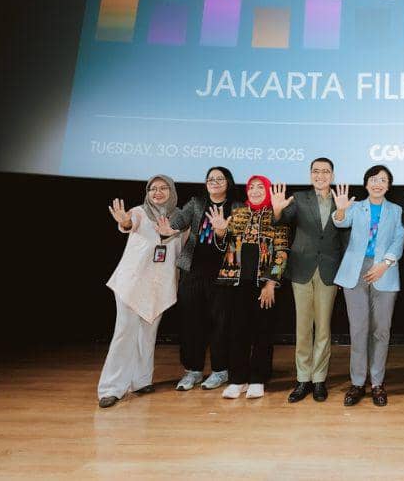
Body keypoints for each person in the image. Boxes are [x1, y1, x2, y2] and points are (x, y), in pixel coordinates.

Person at [98, 175, 183, 408]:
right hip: (132, 284)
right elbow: (128, 223)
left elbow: (183, 249)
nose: (157, 192)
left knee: (147, 333)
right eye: (153, 188)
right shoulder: (139, 212)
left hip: (160, 286)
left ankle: (141, 380)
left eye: (163, 188)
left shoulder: (179, 218)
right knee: (125, 332)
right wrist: (124, 221)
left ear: (172, 191)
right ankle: (111, 388)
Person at [207, 175, 290, 399]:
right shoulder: (238, 213)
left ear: (268, 190)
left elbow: (282, 253)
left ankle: (257, 379)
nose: (254, 190)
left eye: (260, 187)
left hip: (263, 285)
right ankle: (238, 380)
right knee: (236, 333)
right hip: (235, 284)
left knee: (262, 332)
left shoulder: (277, 215)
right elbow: (223, 246)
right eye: (251, 187)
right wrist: (221, 231)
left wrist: (271, 283)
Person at [333, 165, 404, 407]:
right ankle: (357, 383)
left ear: (388, 185)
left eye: (383, 180)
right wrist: (341, 211)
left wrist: (385, 263)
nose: (378, 184)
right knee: (359, 330)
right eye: (373, 179)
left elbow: (399, 239)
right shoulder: (355, 207)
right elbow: (340, 223)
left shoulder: (396, 210)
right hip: (355, 273)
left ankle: (377, 383)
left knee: (381, 330)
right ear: (366, 184)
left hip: (384, 271)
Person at [279, 158, 347, 403]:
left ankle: (319, 379)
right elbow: (281, 220)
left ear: (333, 174)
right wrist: (277, 208)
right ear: (310, 175)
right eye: (316, 171)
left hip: (329, 271)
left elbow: (346, 240)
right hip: (301, 269)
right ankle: (302, 379)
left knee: (324, 329)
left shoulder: (343, 200)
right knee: (302, 328)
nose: (320, 175)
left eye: (325, 171)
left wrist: (344, 273)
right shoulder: (299, 198)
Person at [170, 166, 236, 392]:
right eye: (210, 179)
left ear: (228, 182)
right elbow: (176, 222)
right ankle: (193, 371)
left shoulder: (237, 207)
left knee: (221, 323)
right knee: (191, 322)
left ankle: (220, 371)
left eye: (219, 179)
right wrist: (168, 227)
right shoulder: (197, 203)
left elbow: (238, 240)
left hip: (224, 274)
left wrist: (221, 232)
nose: (214, 182)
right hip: (194, 271)